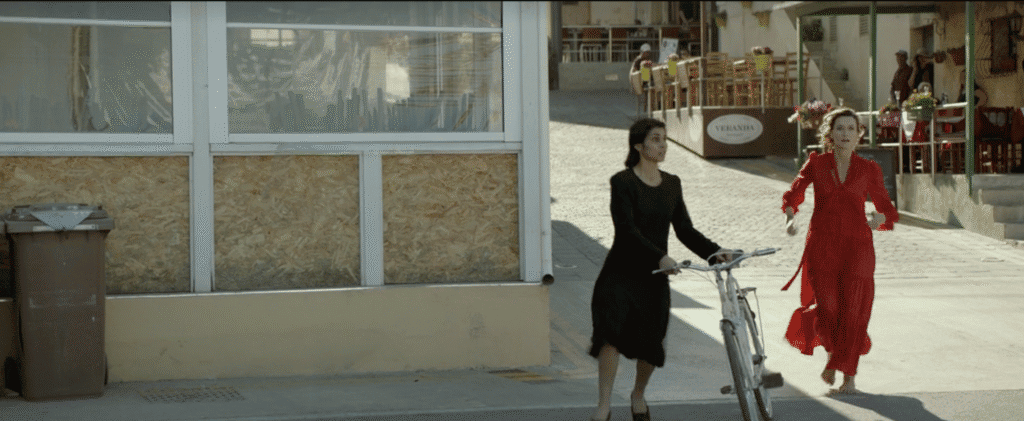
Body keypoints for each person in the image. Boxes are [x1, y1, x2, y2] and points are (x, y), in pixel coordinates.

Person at [589, 118, 733, 421]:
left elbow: (684, 229)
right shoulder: (622, 182)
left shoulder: (672, 183)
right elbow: (627, 231)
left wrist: (714, 251)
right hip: (619, 273)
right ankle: (603, 406)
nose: (663, 144)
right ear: (639, 146)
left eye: (664, 139)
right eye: (656, 139)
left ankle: (638, 395)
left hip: (653, 279)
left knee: (651, 345)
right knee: (609, 336)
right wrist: (659, 256)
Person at [781, 108, 899, 395]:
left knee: (854, 311)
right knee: (829, 308)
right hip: (823, 245)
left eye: (851, 128)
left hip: (858, 246)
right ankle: (835, 358)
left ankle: (849, 377)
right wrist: (789, 217)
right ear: (830, 134)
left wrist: (879, 219)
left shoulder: (869, 168)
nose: (845, 134)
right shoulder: (817, 163)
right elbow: (794, 193)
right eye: (839, 128)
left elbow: (887, 208)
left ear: (860, 134)